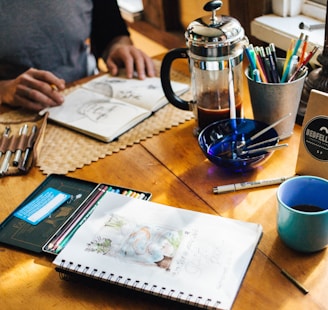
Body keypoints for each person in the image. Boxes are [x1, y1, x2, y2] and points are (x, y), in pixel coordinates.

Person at [0, 1, 156, 111]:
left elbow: (113, 33)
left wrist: (119, 48)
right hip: (14, 111)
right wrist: (5, 90)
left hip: (86, 93)